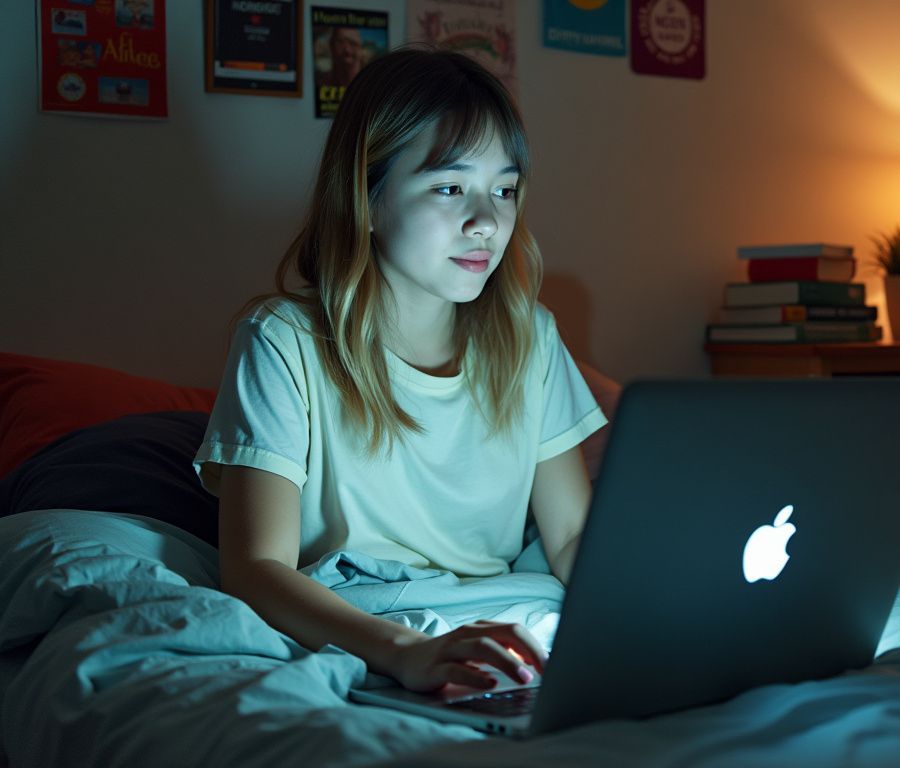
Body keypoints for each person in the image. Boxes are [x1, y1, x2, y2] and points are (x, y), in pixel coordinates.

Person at [194, 48, 606, 695]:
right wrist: (408, 653)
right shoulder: (282, 340)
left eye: (504, 189)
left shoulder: (531, 338)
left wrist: (649, 616)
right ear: (369, 194)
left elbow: (574, 533)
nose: (488, 221)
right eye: (450, 187)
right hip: (368, 627)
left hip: (506, 620)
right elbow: (254, 569)